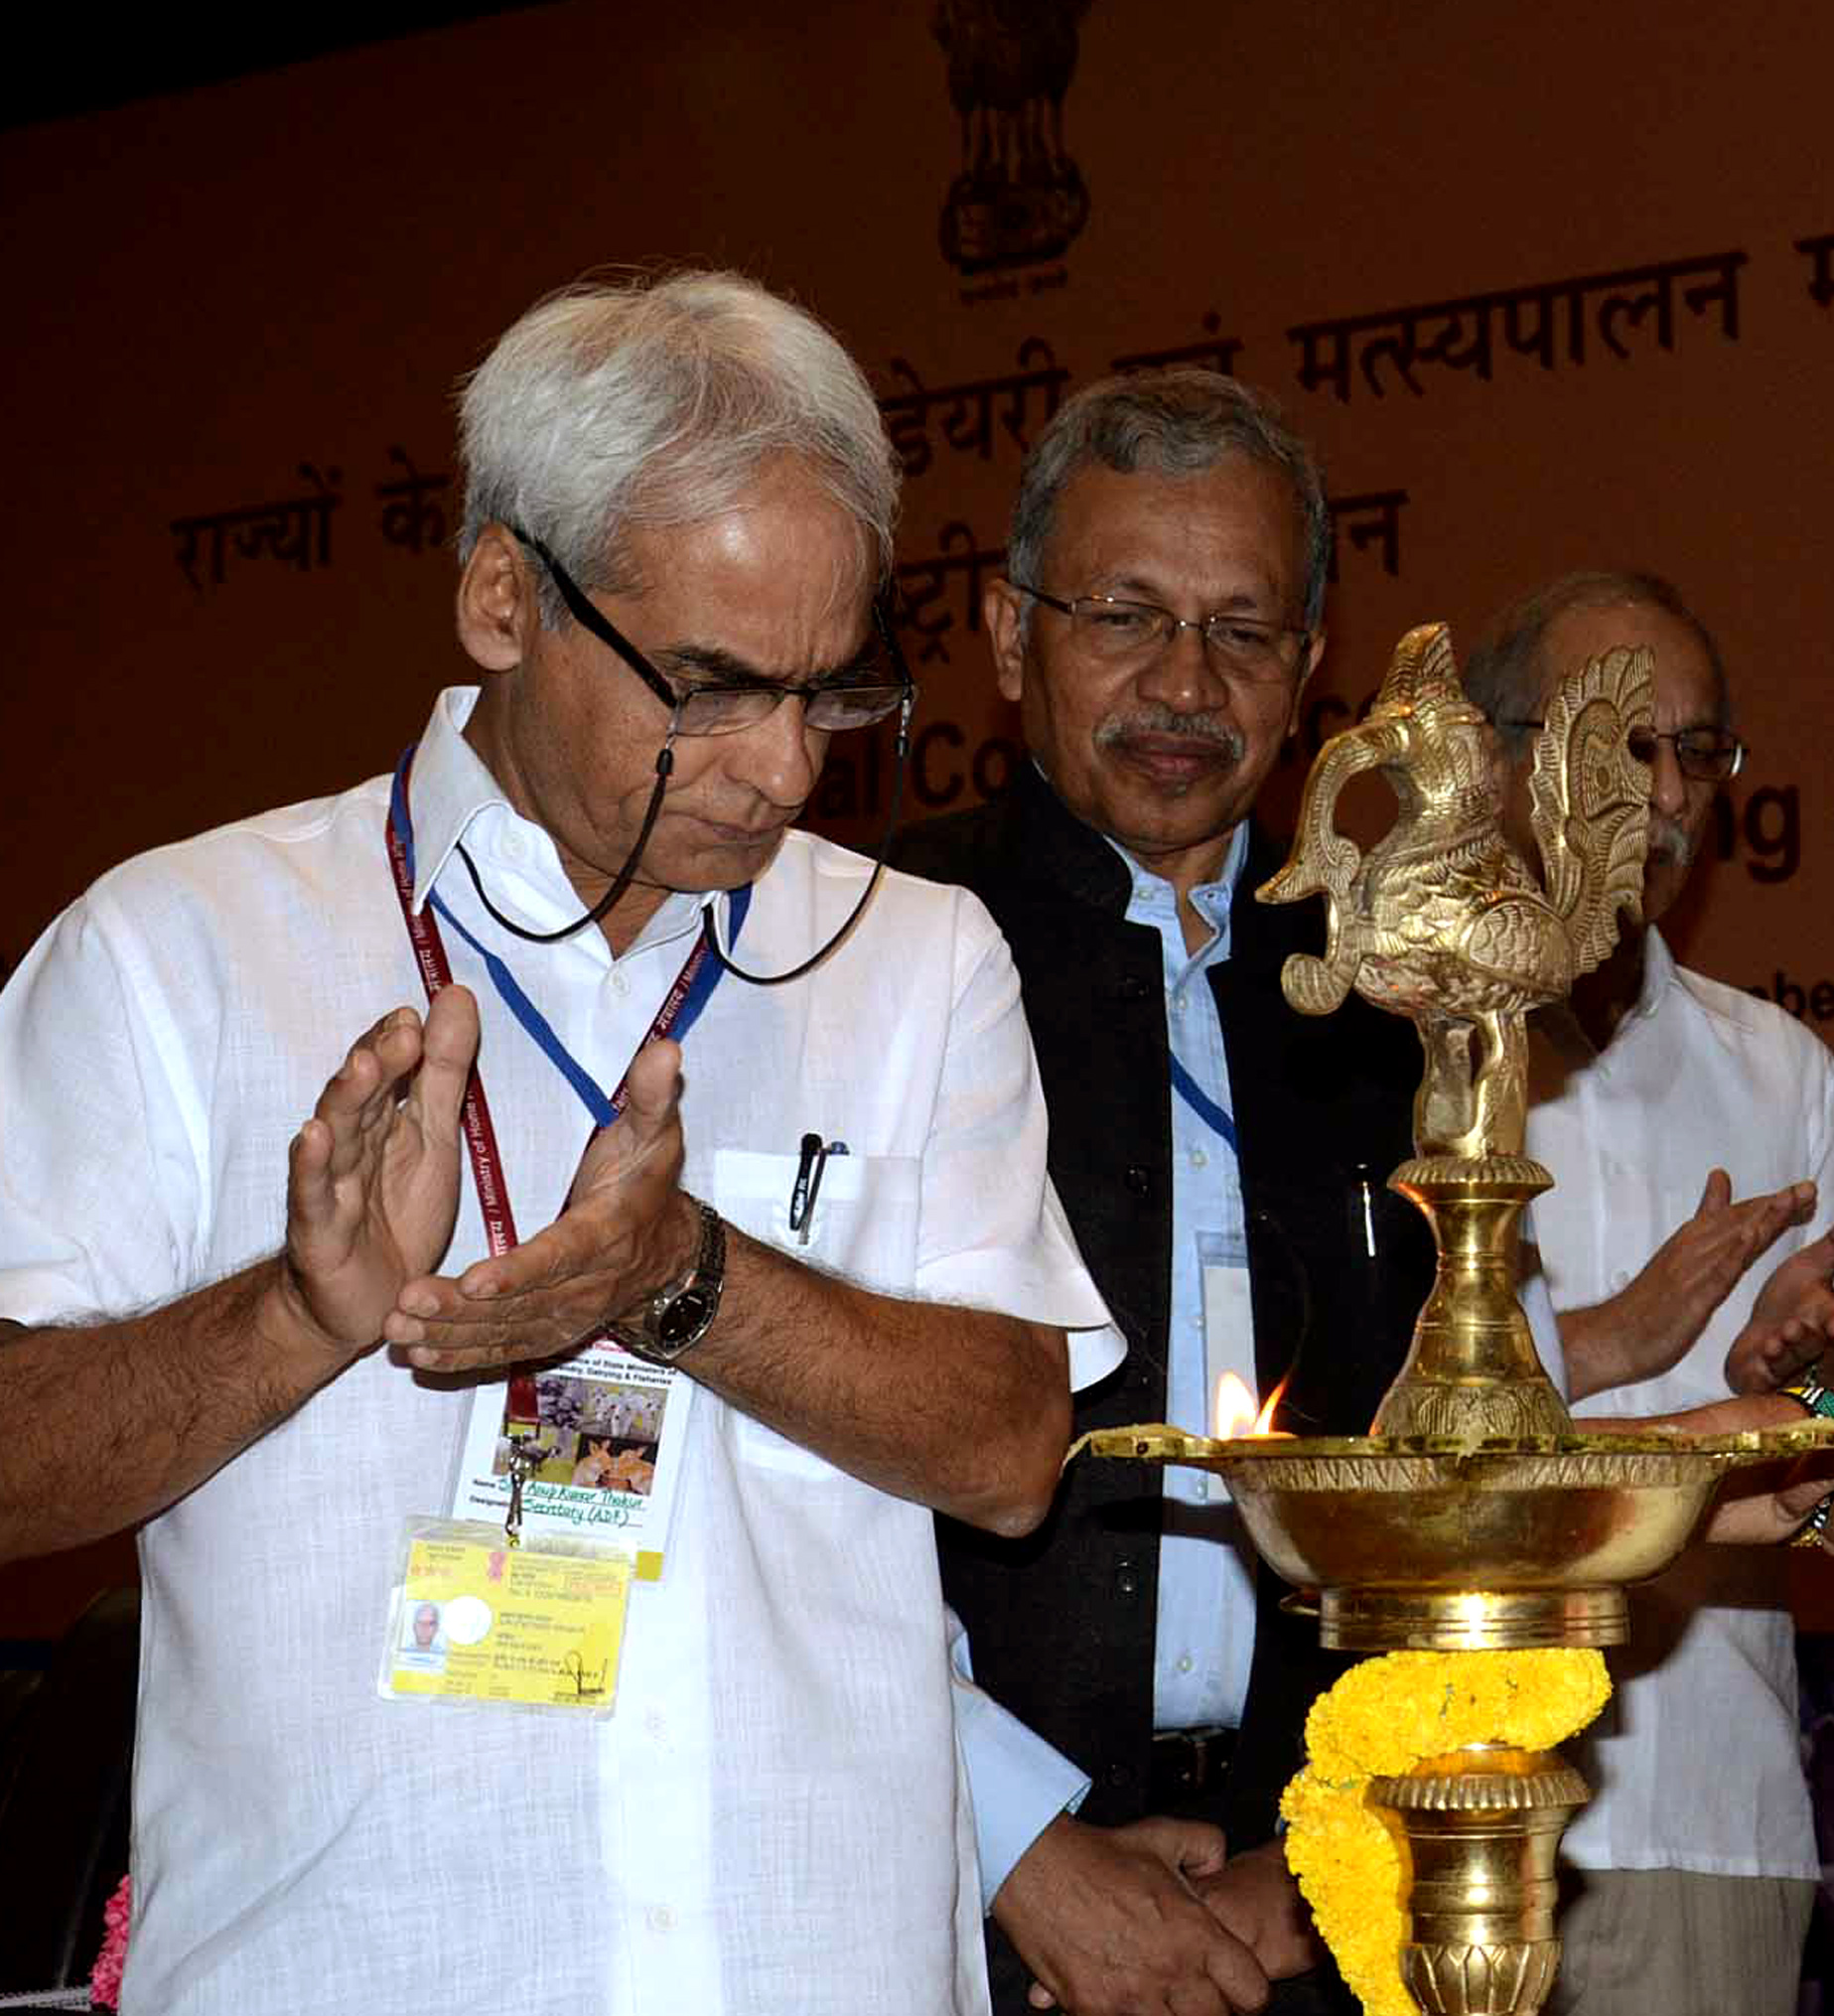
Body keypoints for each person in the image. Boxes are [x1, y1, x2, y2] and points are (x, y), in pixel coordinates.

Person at [0, 269, 1120, 2014]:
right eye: (710, 686)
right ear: (504, 599)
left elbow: (1011, 1447)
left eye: (828, 693)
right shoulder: (178, 951)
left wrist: (687, 1280)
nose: (780, 769)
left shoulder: (917, 960)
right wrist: (295, 1320)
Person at [897, 369, 1439, 2016]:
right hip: (952, 1906)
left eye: (1244, 629)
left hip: (1314, 1918)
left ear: (1313, 665)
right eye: (1123, 613)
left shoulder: (1390, 1005)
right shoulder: (873, 963)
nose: (1184, 683)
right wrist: (1021, 1849)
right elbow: (770, 1498)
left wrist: (1327, 1849)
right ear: (1006, 635)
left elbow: (1441, 1484)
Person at [1461, 572, 1834, 2015]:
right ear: (1498, 757)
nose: (1665, 794)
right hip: (1424, 1794)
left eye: (1697, 752)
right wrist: (1610, 1341)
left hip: (1699, 1824)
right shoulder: (1396, 1044)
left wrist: (1800, 1373)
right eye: (1623, 747)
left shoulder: (1774, 1068)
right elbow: (1329, 1402)